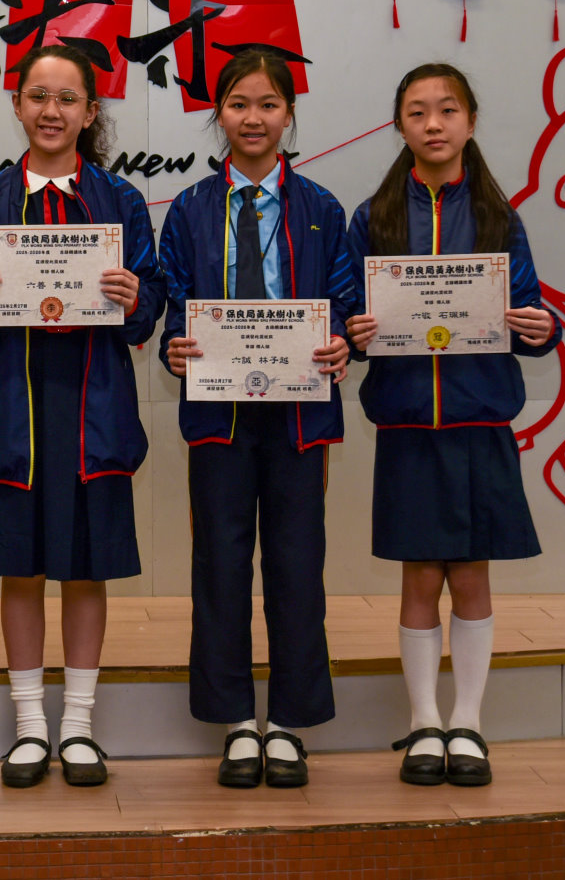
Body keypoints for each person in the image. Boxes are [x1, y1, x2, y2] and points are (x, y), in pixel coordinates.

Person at [0, 44, 161, 789]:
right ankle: (31, 726)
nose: (52, 111)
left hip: (95, 413)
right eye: (38, 96)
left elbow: (151, 303)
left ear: (90, 112)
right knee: (22, 571)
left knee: (87, 572)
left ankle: (80, 727)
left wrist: (138, 298)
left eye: (68, 99)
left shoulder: (120, 201)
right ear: (17, 106)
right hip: (13, 416)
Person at [343, 63, 559, 789]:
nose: (433, 124)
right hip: (408, 425)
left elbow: (528, 308)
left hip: (478, 419)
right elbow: (350, 316)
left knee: (470, 575)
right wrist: (355, 332)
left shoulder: (500, 215)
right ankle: (424, 721)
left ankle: (467, 721)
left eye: (446, 110)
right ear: (399, 126)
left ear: (470, 121)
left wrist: (543, 328)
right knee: (417, 576)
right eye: (417, 112)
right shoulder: (373, 217)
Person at [157, 50, 353, 790]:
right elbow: (175, 300)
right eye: (238, 104)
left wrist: (341, 341)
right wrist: (175, 346)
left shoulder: (322, 209)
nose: (253, 118)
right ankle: (237, 721)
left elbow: (342, 300)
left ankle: (292, 723)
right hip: (219, 413)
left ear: (289, 114)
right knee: (220, 562)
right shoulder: (189, 208)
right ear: (219, 114)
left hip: (299, 415)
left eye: (268, 104)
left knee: (298, 566)